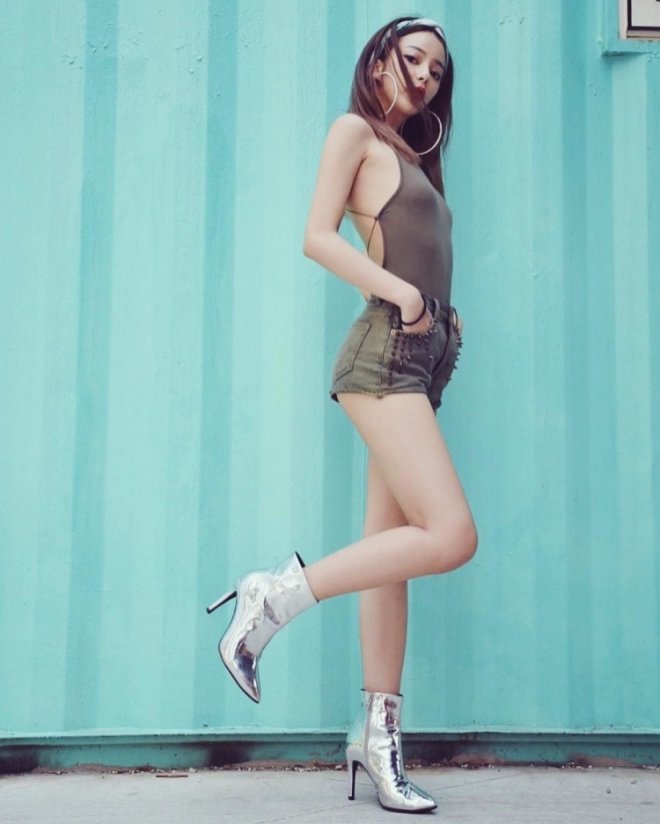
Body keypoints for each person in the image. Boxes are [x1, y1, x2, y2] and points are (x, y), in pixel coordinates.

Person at [207, 15, 478, 814]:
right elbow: (317, 237)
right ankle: (273, 596)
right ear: (380, 58)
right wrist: (403, 295)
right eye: (414, 58)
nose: (425, 76)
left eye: (438, 70)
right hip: (383, 356)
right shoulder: (353, 132)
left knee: (393, 558)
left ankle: (378, 743)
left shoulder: (413, 157)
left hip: (422, 362)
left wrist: (445, 317)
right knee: (451, 535)